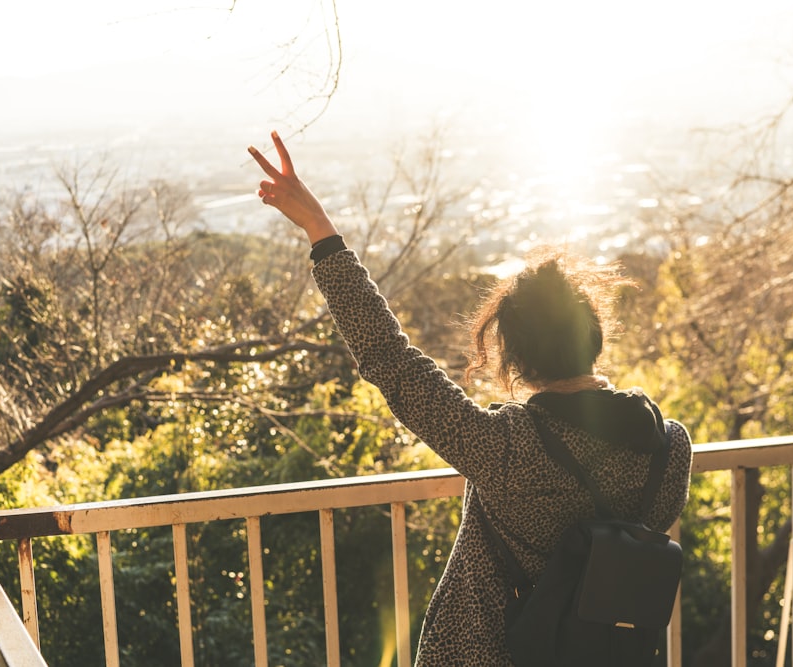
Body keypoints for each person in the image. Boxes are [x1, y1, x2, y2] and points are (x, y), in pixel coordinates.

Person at [248, 131, 693, 666]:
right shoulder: (669, 451)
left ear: (517, 358)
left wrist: (322, 232)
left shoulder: (505, 448)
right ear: (593, 338)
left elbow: (389, 360)